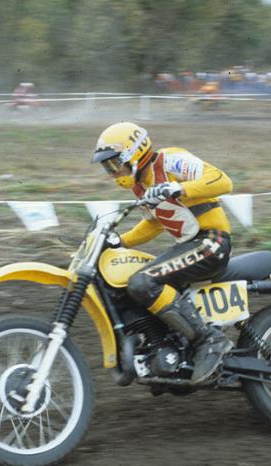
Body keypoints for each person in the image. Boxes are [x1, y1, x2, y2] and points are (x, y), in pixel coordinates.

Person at [91, 122, 234, 384]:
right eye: (107, 167)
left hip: (212, 241)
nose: (112, 172)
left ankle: (210, 340)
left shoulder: (170, 161)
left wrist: (179, 188)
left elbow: (223, 181)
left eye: (114, 163)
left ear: (133, 153)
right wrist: (120, 241)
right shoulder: (140, 186)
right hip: (190, 245)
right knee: (133, 283)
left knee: (143, 282)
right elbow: (154, 224)